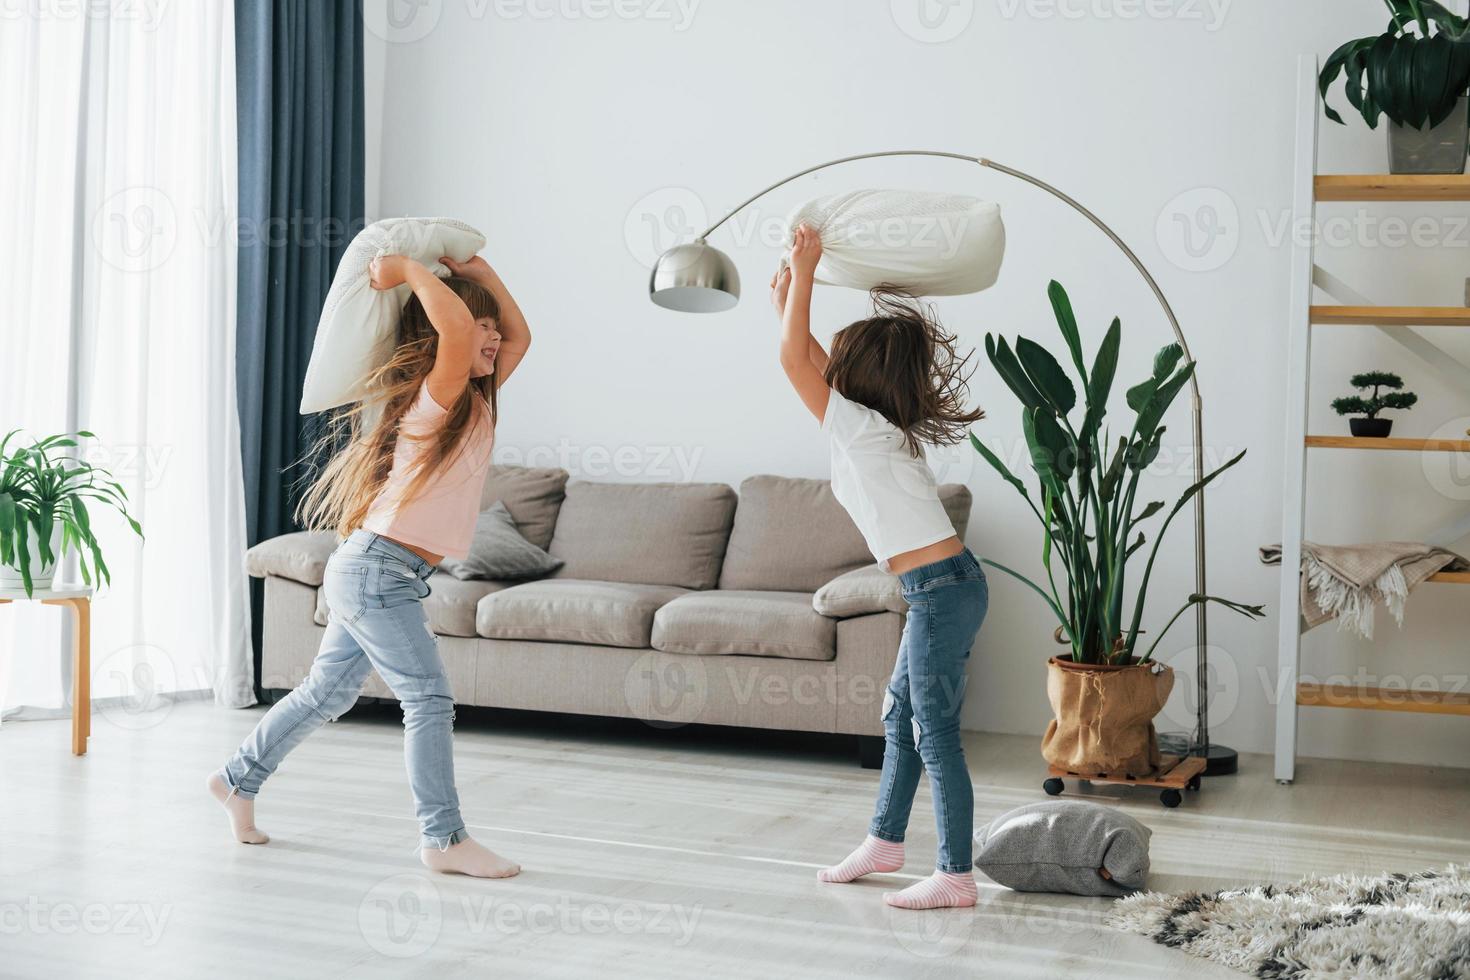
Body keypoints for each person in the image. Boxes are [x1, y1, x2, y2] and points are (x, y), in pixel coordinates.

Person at [208, 252, 531, 878]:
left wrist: (484, 272)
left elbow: (520, 335)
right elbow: (459, 334)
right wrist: (410, 268)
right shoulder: (437, 399)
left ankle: (236, 779)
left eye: (490, 327)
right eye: (477, 324)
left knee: (325, 694)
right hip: (376, 569)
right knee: (429, 699)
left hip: (381, 570)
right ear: (443, 337)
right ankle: (443, 839)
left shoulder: (480, 401)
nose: (491, 336)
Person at [773, 224, 988, 910]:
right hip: (943, 587)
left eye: (834, 363)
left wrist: (804, 274)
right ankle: (885, 843)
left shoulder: (860, 428)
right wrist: (785, 298)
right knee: (900, 720)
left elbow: (794, 362)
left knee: (933, 730)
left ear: (850, 378)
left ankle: (955, 876)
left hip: (940, 591)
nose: (823, 371)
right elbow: (801, 354)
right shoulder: (869, 427)